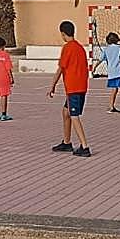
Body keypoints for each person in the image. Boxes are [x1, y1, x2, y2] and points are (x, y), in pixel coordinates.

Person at [47, 20, 91, 157]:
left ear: (63, 33)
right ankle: (67, 143)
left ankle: (85, 146)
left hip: (74, 87)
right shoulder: (80, 48)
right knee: (65, 112)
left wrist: (53, 85)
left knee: (74, 116)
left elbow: (61, 68)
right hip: (81, 86)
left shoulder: (68, 48)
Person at [92, 31, 120, 114]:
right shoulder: (119, 48)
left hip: (111, 73)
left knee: (114, 89)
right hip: (118, 72)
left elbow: (100, 59)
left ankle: (111, 106)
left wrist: (95, 67)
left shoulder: (106, 49)